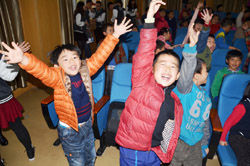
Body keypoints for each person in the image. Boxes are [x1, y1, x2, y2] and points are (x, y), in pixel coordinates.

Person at [0, 18, 132, 166]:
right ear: (57, 65)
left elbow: (100, 56)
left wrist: (114, 36)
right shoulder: (56, 77)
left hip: (88, 123)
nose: (72, 62)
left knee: (90, 155)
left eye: (75, 57)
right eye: (66, 59)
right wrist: (23, 59)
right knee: (76, 160)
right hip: (69, 130)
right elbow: (41, 71)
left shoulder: (85, 69)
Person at [115, 1, 184, 165]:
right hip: (135, 148)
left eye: (172, 67)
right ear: (152, 69)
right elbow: (145, 52)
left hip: (155, 149)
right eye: (162, 64)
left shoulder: (173, 96)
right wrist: (150, 19)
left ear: (177, 75)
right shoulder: (142, 81)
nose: (167, 69)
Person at [169, 14, 212, 166]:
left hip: (197, 144)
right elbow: (186, 71)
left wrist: (205, 144)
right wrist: (191, 47)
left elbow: (205, 124)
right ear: (195, 76)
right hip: (179, 142)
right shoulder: (185, 89)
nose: (208, 73)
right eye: (205, 71)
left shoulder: (206, 98)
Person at [0, 42, 35, 160]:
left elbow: (8, 76)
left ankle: (29, 149)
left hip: (3, 100)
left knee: (17, 126)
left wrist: (16, 60)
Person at [219, 83, 250, 166]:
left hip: (248, 138)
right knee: (245, 159)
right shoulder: (243, 106)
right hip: (238, 137)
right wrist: (222, 138)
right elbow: (229, 122)